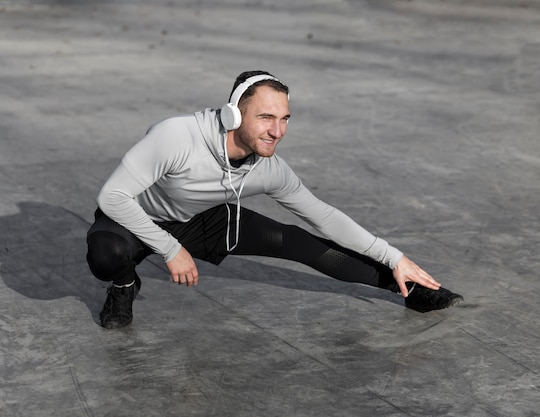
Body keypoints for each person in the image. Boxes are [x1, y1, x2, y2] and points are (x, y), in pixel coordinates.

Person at [86, 70, 463, 329]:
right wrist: (170, 250)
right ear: (233, 115)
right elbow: (113, 196)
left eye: (284, 119)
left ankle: (410, 290)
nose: (277, 131)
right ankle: (123, 287)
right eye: (266, 117)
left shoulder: (269, 168)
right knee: (107, 256)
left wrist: (394, 257)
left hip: (199, 219)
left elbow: (325, 217)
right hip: (132, 217)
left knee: (298, 242)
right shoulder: (177, 136)